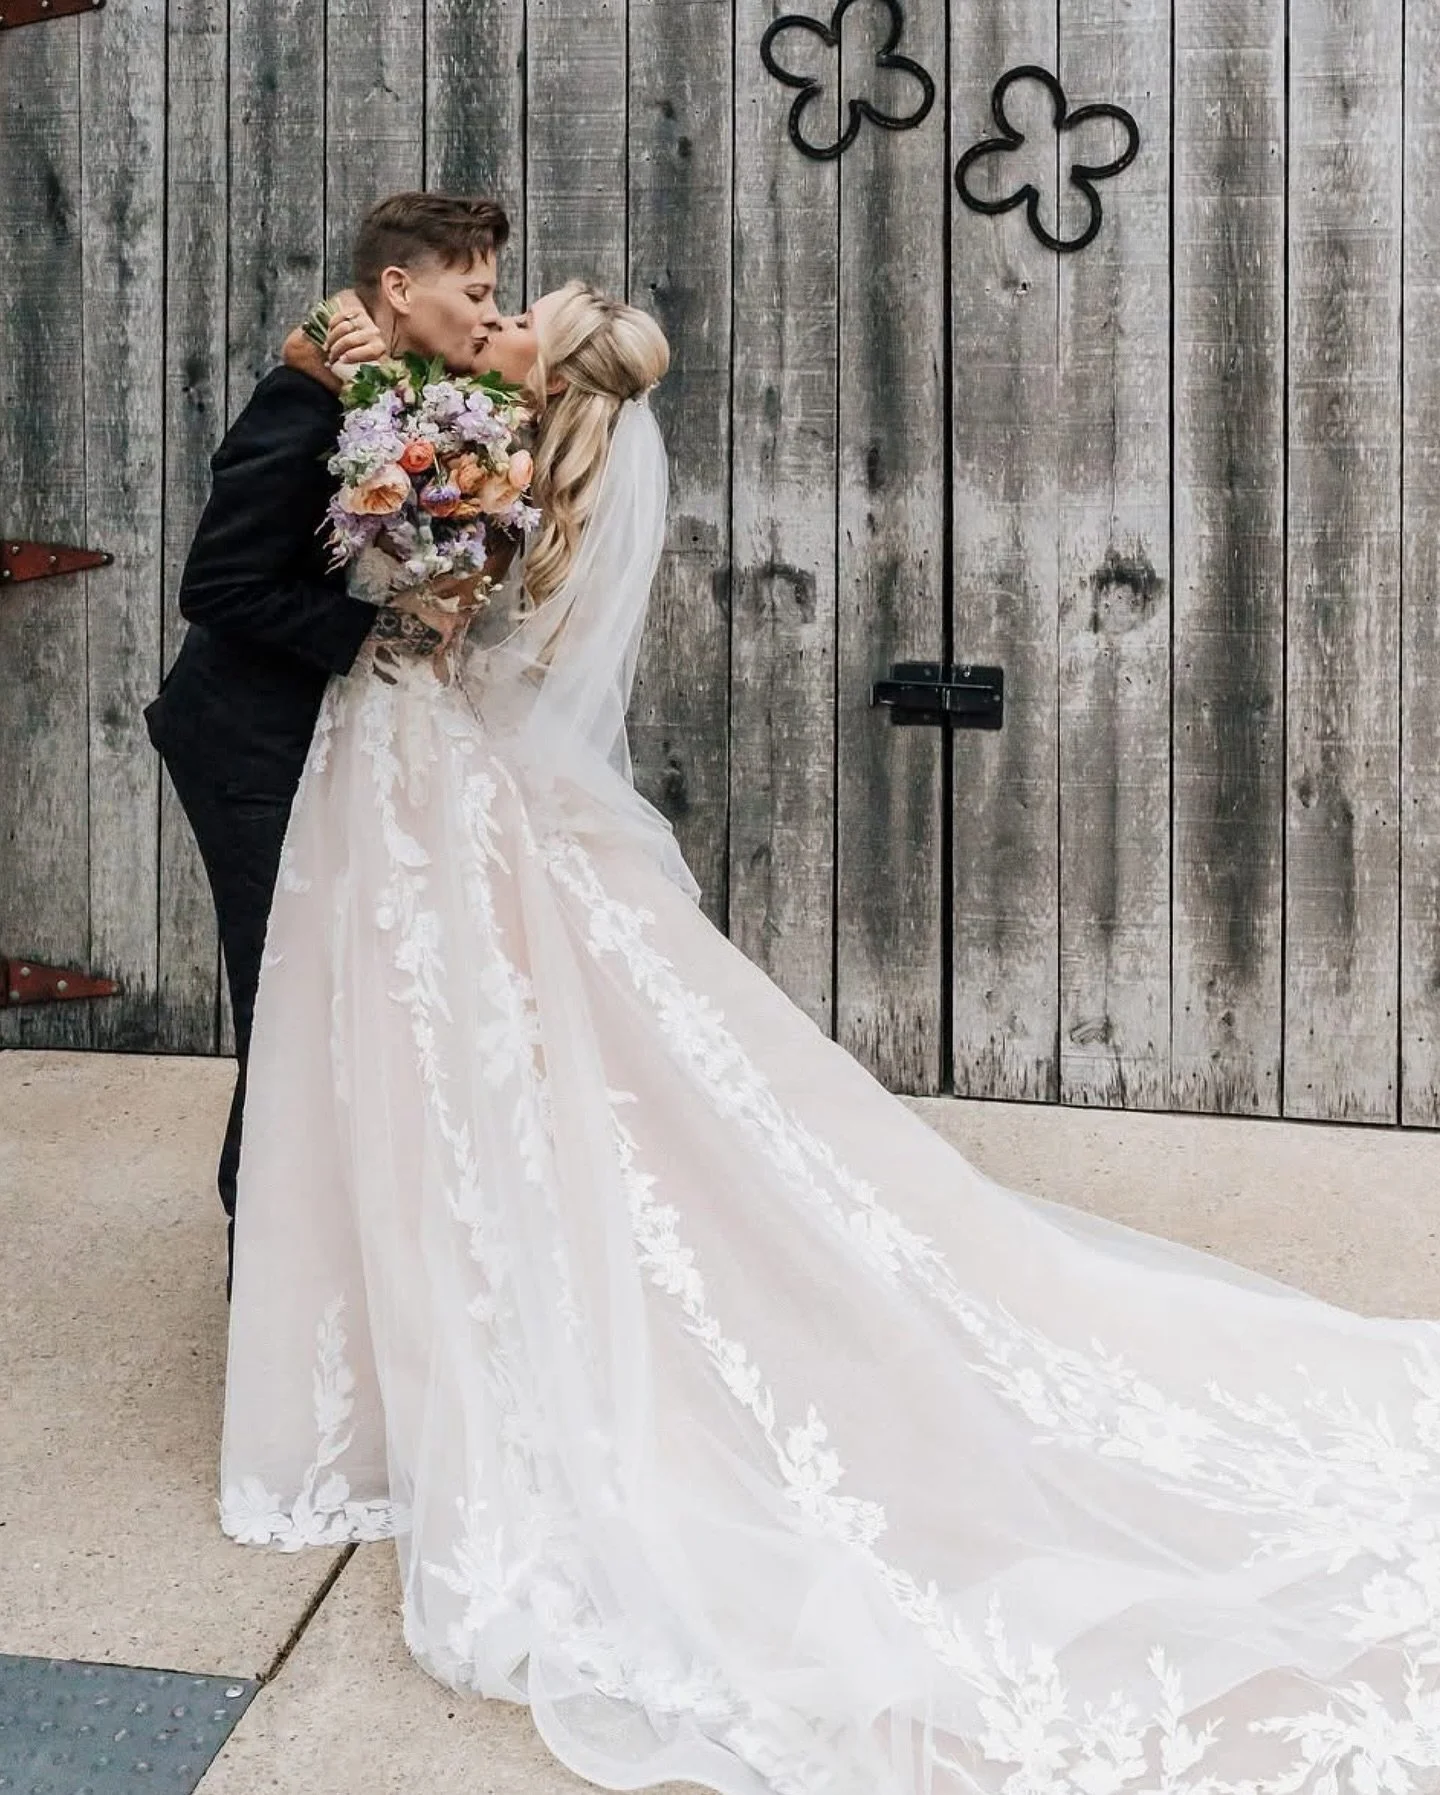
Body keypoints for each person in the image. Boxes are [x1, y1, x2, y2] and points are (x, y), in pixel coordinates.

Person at [221, 282, 1440, 1795]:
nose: (511, 302)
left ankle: (474, 1325)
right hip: (449, 787)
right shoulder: (495, 462)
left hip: (436, 779)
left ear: (544, 369)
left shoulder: (488, 477)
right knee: (509, 1083)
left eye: (534, 305)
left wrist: (402, 564)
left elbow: (431, 620)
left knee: (505, 1084)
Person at [146, 192, 514, 1290]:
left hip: (318, 737)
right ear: (401, 289)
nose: (489, 308)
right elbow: (213, 587)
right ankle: (257, 1272)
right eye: (477, 290)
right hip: (242, 743)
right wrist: (377, 628)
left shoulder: (392, 393)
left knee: (317, 994)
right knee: (286, 999)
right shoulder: (298, 409)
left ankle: (287, 1259)